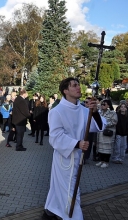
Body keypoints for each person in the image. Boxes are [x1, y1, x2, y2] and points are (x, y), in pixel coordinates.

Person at [43, 77, 105, 220]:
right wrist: (77, 143)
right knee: (71, 192)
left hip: (79, 157)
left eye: (78, 85)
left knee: (62, 189)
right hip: (64, 159)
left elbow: (97, 126)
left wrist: (94, 112)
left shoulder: (83, 110)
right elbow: (55, 137)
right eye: (74, 85)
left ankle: (50, 211)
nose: (79, 87)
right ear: (65, 91)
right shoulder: (57, 111)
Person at [95, 99, 117, 168]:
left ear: (108, 105)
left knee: (107, 149)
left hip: (108, 133)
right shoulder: (100, 112)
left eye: (104, 104)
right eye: (102, 104)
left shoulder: (112, 113)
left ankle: (106, 162)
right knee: (100, 148)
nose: (102, 106)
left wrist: (105, 124)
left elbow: (114, 122)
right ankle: (101, 161)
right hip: (100, 134)